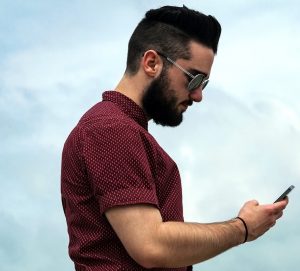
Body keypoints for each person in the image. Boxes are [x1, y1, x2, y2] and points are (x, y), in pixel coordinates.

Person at [61, 5, 288, 271]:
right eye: (194, 79)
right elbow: (151, 246)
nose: (198, 96)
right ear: (151, 63)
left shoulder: (121, 129)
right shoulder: (112, 130)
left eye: (204, 84)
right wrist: (243, 228)